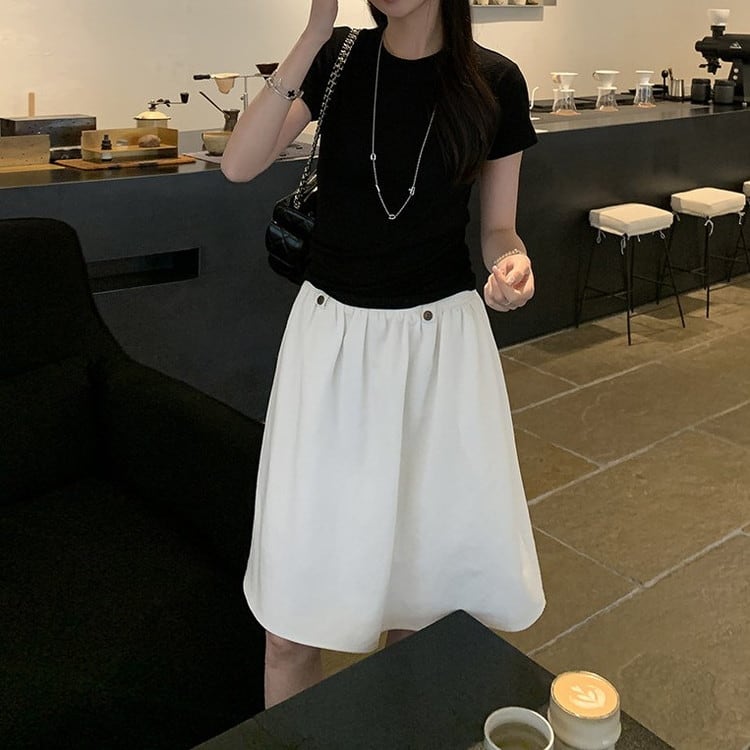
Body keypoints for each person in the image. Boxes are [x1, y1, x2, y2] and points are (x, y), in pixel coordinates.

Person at [222, 0, 545, 709]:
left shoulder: (495, 81)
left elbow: (499, 228)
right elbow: (240, 165)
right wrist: (313, 29)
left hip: (439, 352)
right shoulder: (338, 57)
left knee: (419, 603)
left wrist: (511, 265)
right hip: (330, 345)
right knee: (290, 624)